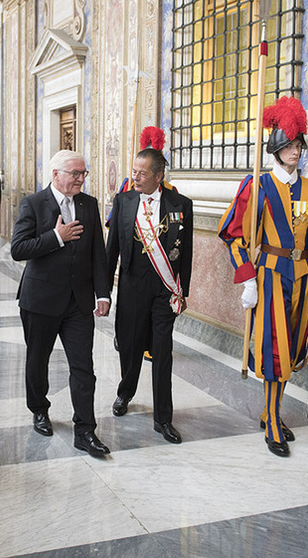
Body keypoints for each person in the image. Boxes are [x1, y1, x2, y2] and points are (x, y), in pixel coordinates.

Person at [216, 96, 308, 457]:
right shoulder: (258, 185)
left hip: (304, 277)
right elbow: (231, 234)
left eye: (299, 145)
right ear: (276, 148)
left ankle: (271, 411)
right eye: (289, 145)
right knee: (275, 351)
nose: (296, 152)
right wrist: (247, 277)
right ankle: (272, 419)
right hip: (269, 275)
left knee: (295, 348)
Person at [10, 150, 112, 457]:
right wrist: (56, 236)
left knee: (83, 367)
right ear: (56, 174)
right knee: (37, 360)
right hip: (40, 299)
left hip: (78, 303)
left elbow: (98, 252)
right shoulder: (33, 203)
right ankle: (39, 408)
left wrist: (103, 293)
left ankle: (85, 430)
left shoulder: (88, 204)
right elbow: (18, 248)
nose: (81, 179)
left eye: (84, 174)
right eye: (75, 174)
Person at [105, 137, 193, 444]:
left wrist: (183, 292)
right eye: (134, 171)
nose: (136, 177)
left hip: (164, 291)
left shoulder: (181, 205)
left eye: (142, 173)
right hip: (131, 288)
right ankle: (125, 393)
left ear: (159, 176)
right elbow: (111, 248)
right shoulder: (124, 202)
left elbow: (188, 253)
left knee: (163, 353)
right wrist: (104, 292)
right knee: (129, 348)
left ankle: (163, 418)